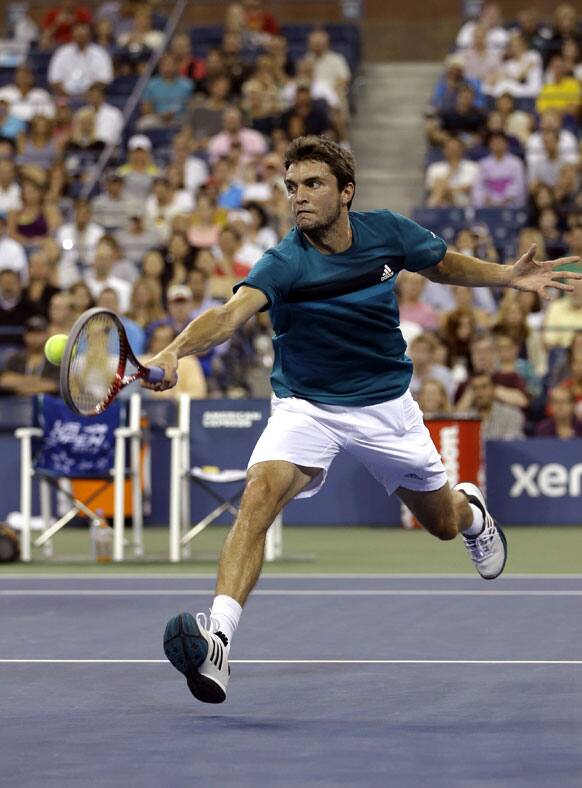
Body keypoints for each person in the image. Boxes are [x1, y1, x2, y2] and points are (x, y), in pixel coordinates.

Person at [145, 136, 581, 704]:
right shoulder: (284, 262)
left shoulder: (388, 233)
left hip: (386, 408)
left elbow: (443, 265)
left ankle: (471, 512)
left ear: (346, 192)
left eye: (312, 185)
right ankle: (220, 642)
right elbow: (229, 315)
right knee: (260, 492)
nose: (299, 197)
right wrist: (175, 350)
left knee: (442, 523)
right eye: (291, 187)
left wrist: (506, 277)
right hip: (307, 405)